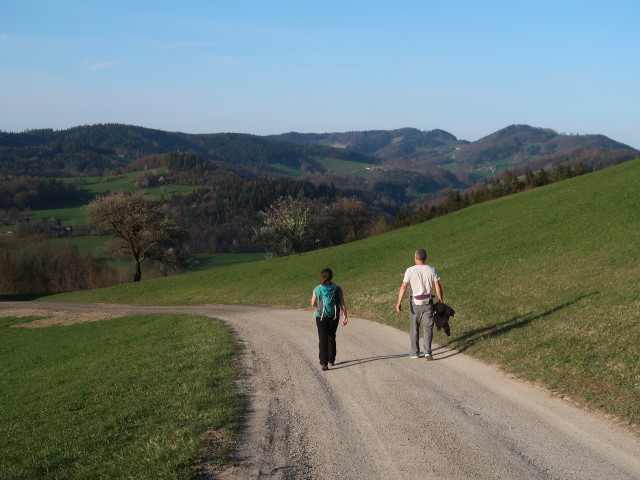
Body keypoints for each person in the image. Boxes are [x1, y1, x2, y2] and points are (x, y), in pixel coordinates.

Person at [396, 249, 443, 361]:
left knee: (414, 328)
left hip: (415, 303)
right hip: (428, 302)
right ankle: (427, 351)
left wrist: (399, 302)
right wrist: (441, 299)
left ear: (416, 258)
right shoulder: (432, 269)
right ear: (425, 258)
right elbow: (437, 286)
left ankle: (415, 352)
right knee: (428, 328)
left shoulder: (410, 270)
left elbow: (404, 287)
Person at [311, 268, 348, 371]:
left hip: (321, 316)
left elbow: (313, 303)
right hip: (334, 316)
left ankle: (324, 363)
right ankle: (331, 359)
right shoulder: (338, 288)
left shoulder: (317, 289)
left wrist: (318, 308)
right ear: (331, 276)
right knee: (331, 336)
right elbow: (342, 303)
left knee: (322, 339)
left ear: (322, 276)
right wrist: (345, 316)